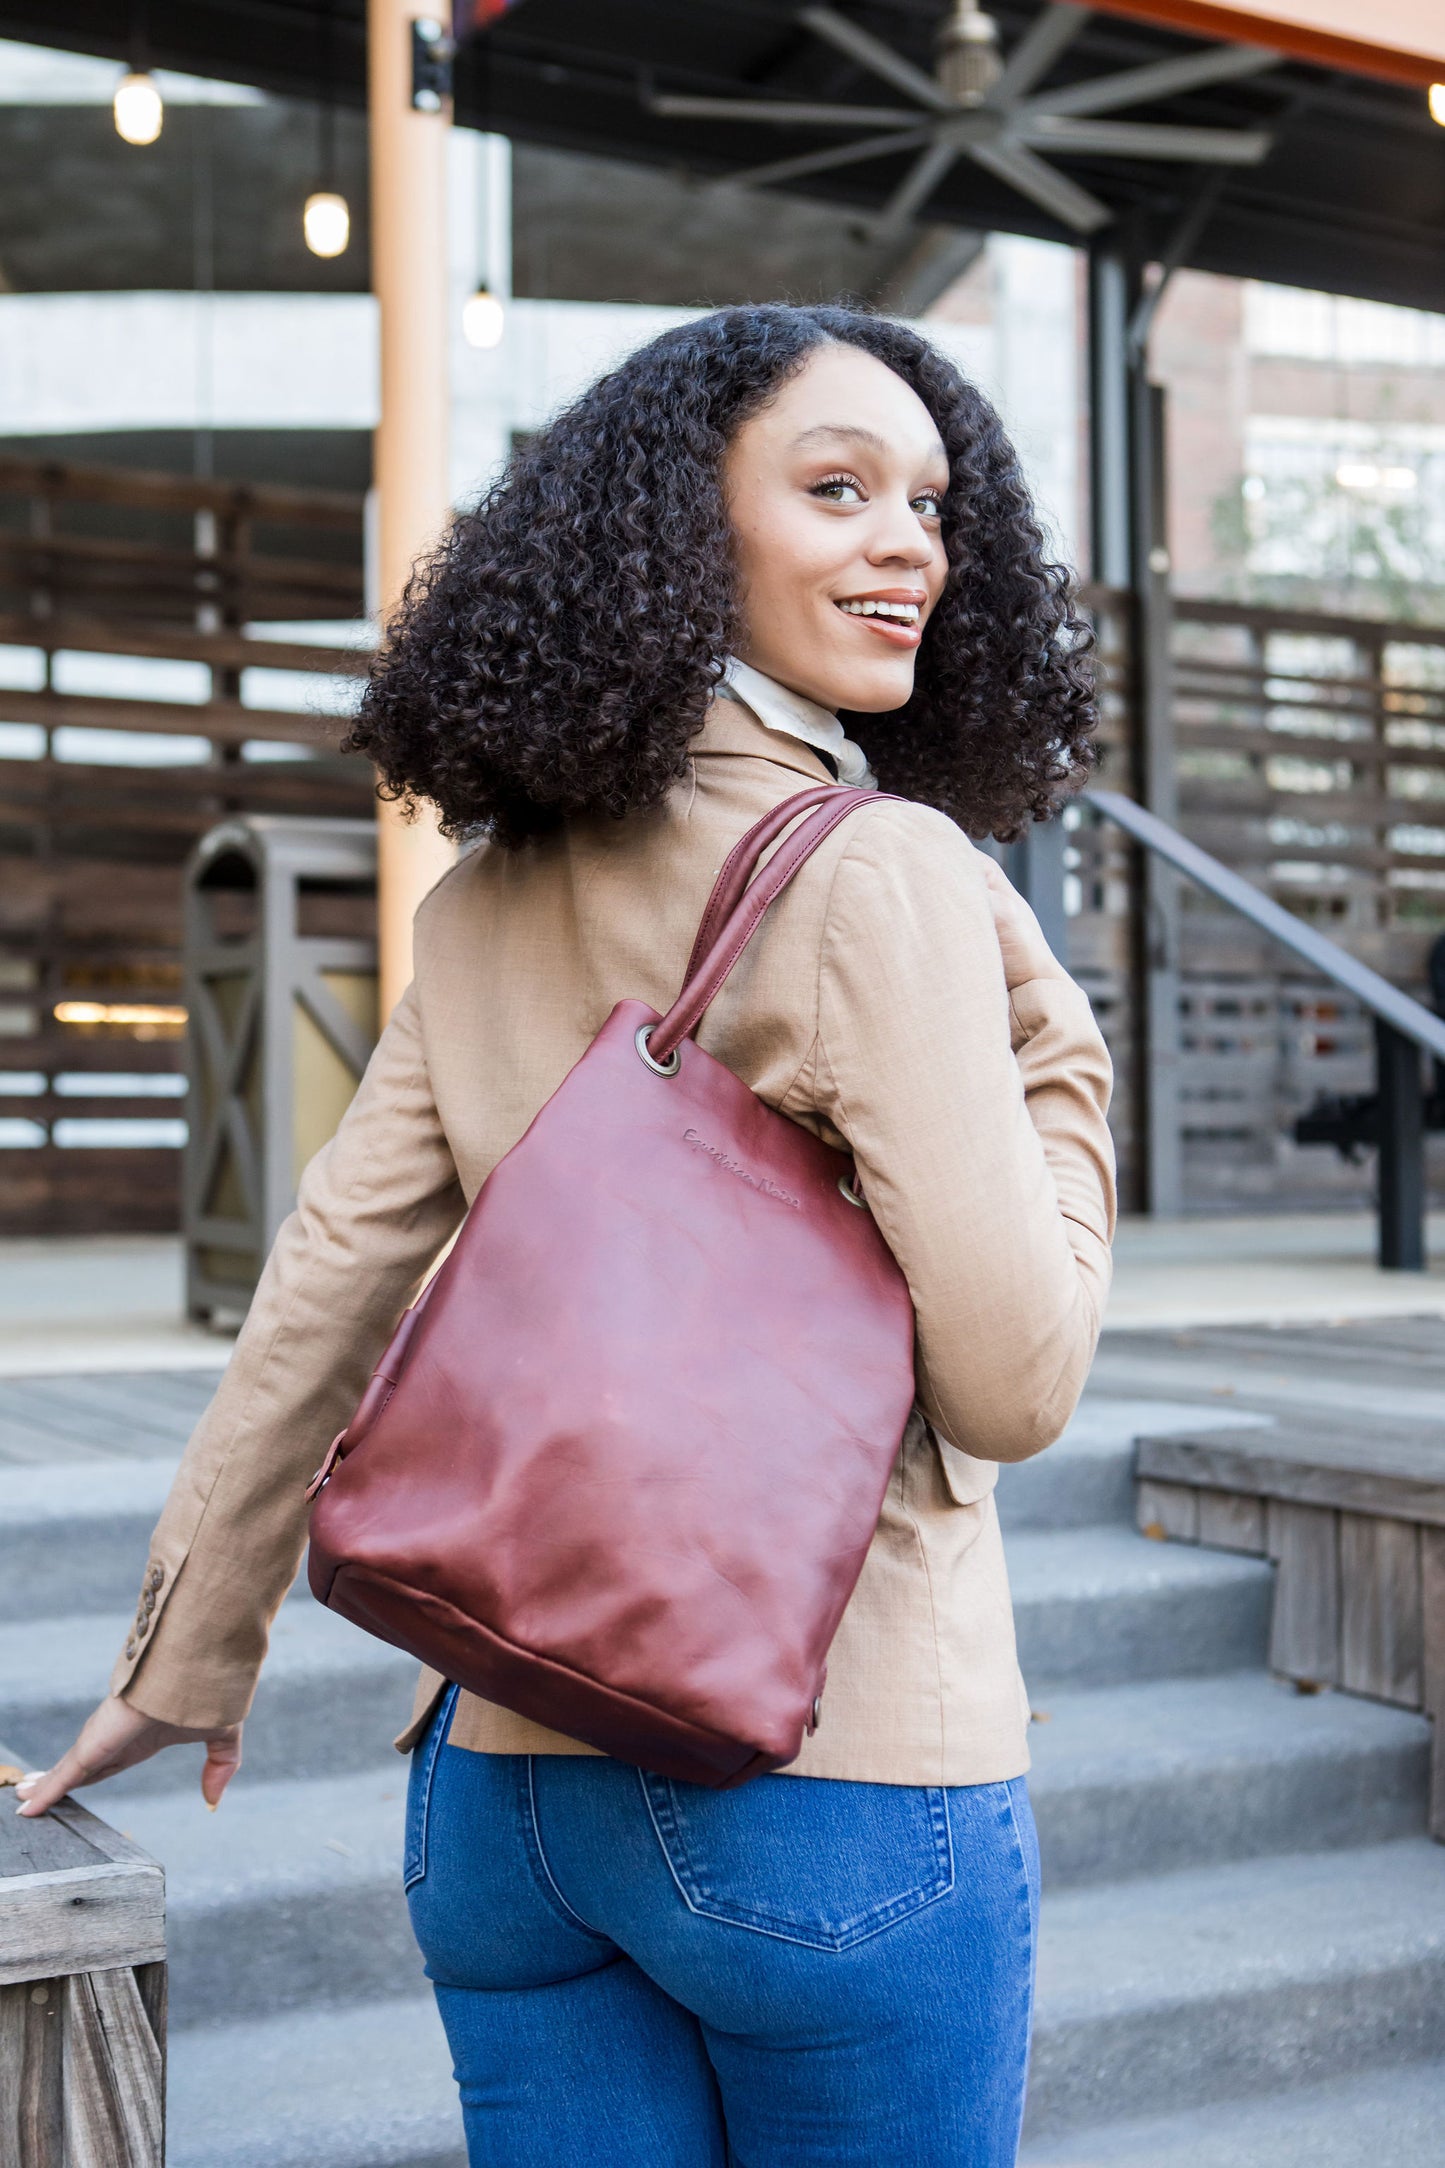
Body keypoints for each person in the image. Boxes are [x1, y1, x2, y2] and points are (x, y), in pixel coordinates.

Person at [17, 305, 1115, 2165]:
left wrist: (183, 1655)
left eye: (929, 504)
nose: (906, 544)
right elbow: (1014, 1384)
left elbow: (325, 1293)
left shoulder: (484, 896)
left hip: (501, 1785)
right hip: (824, 1774)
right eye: (834, 489)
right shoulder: (889, 875)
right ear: (687, 531)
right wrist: (1061, 1075)